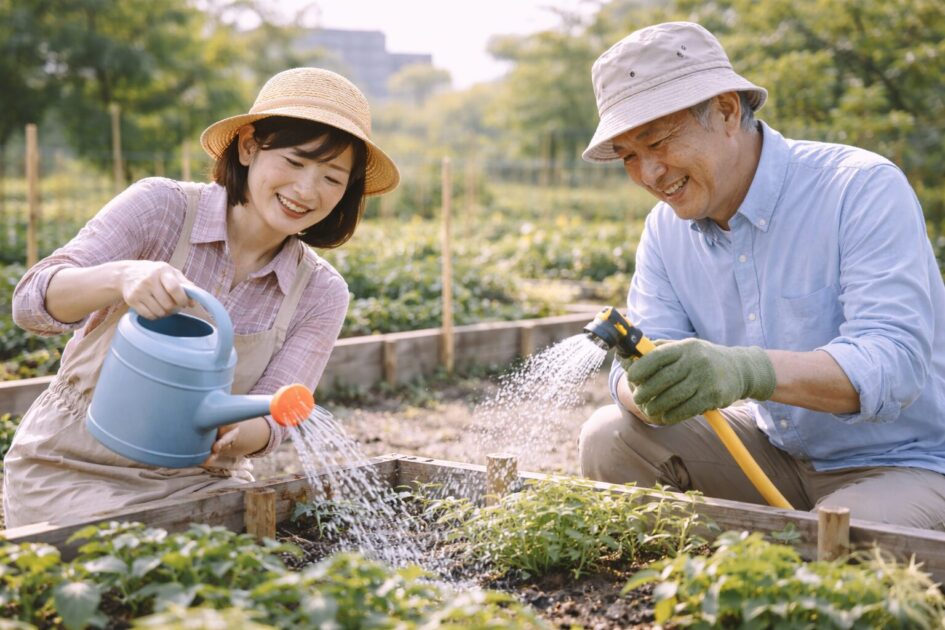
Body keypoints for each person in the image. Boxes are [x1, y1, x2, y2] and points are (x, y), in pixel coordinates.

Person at [578, 21, 945, 529]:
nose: (648, 175)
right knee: (610, 439)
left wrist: (746, 370)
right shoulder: (666, 231)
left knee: (844, 537)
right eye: (629, 157)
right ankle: (703, 583)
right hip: (774, 452)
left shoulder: (859, 189)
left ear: (727, 110)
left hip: (907, 462)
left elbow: (894, 362)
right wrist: (644, 386)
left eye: (657, 142)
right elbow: (638, 358)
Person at [3, 67, 399, 528]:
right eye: (294, 162)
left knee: (228, 579)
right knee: (125, 557)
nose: (306, 190)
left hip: (201, 480)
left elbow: (273, 418)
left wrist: (233, 432)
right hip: (70, 465)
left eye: (332, 178)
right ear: (249, 146)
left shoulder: (321, 292)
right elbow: (31, 302)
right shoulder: (160, 208)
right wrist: (121, 277)